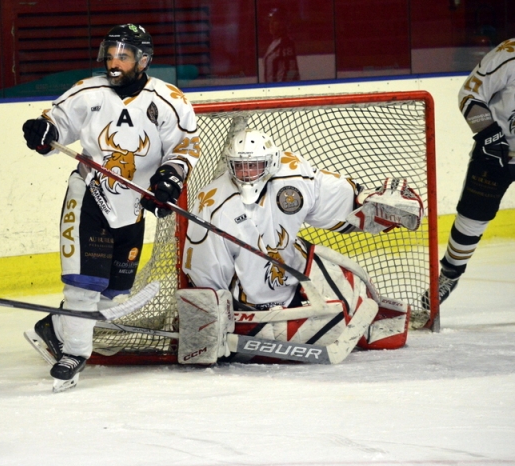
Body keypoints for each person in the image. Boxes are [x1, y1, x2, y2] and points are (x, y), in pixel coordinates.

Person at [21, 24, 199, 391]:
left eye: (124, 56)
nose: (114, 62)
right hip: (89, 193)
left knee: (116, 289)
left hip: (132, 203)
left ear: (144, 60)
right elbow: (57, 123)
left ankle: (54, 327)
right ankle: (74, 353)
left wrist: (168, 179)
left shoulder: (169, 100)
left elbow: (183, 147)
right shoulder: (90, 91)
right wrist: (43, 131)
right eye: (111, 54)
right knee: (84, 284)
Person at [182, 128, 423, 363]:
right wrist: (212, 320)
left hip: (296, 272)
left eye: (254, 165)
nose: (247, 173)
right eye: (240, 166)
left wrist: (371, 205)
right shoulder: (212, 205)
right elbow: (206, 272)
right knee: (333, 328)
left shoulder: (293, 174)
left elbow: (333, 197)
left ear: (271, 161)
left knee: (356, 292)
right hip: (253, 307)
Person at [423, 37, 515, 309]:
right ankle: (450, 274)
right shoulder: (508, 55)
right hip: (495, 153)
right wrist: (488, 134)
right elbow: (469, 94)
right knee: (472, 219)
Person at [262, 7, 300, 83]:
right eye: (270, 21)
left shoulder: (287, 43)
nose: (271, 24)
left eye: (274, 21)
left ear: (283, 24)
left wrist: (282, 89)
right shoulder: (273, 44)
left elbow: (291, 71)